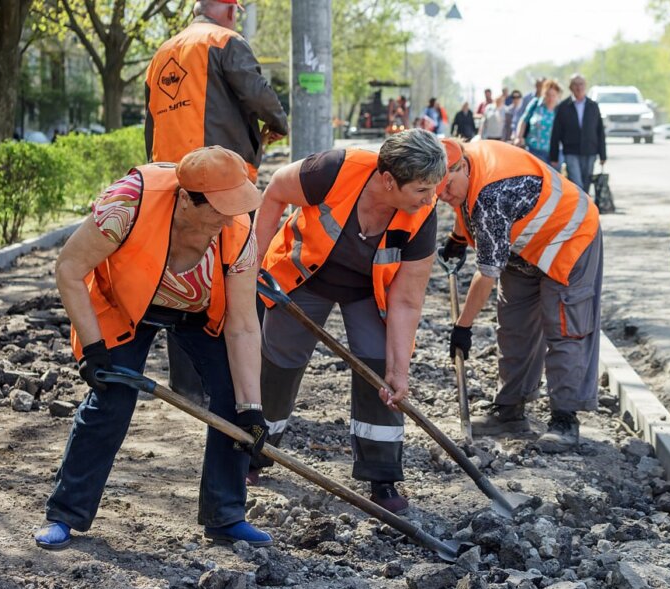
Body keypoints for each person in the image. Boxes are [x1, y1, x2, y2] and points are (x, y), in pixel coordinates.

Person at [34, 146, 272, 550]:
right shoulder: (128, 202)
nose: (227, 219)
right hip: (126, 305)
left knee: (235, 404)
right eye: (217, 209)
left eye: (234, 207)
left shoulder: (238, 229)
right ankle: (65, 514)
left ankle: (226, 516)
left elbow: (244, 325)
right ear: (184, 198)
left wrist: (252, 408)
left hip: (200, 311)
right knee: (112, 399)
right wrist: (93, 351)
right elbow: (69, 269)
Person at [252, 129, 447, 514]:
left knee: (379, 368)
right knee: (279, 359)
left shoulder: (423, 215)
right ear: (389, 180)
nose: (431, 198)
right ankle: (253, 452)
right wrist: (251, 266)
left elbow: (407, 300)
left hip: (367, 289)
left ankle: (382, 475)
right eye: (422, 189)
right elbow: (275, 190)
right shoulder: (332, 170)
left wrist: (400, 370)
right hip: (305, 275)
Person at [144, 0, 288, 405]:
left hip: (173, 181)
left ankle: (188, 386)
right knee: (236, 271)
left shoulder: (162, 54)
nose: (237, 15)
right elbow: (257, 92)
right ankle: (234, 381)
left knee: (179, 274)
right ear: (226, 9)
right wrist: (278, 123)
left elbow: (151, 122)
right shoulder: (225, 41)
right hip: (225, 183)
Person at [437, 138, 604, 452]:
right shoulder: (464, 166)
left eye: (447, 188)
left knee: (563, 326)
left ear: (463, 167)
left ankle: (565, 419)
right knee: (514, 326)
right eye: (438, 193)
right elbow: (465, 202)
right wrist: (458, 236)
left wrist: (463, 326)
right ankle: (510, 411)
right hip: (523, 247)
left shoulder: (492, 195)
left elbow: (486, 273)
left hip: (569, 236)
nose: (445, 197)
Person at [549, 73, 606, 193]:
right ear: (570, 87)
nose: (578, 87)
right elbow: (556, 132)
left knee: (586, 183)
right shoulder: (563, 107)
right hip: (571, 151)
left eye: (581, 84)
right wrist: (553, 156)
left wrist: (603, 154)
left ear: (585, 86)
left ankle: (584, 209)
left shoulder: (593, 106)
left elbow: (600, 131)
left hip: (590, 150)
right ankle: (581, 208)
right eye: (575, 84)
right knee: (577, 183)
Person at [514, 79, 562, 165]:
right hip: (534, 150)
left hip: (554, 154)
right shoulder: (536, 104)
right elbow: (524, 120)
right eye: (548, 95)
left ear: (557, 95)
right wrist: (519, 137)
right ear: (543, 94)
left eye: (553, 95)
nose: (550, 98)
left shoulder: (561, 109)